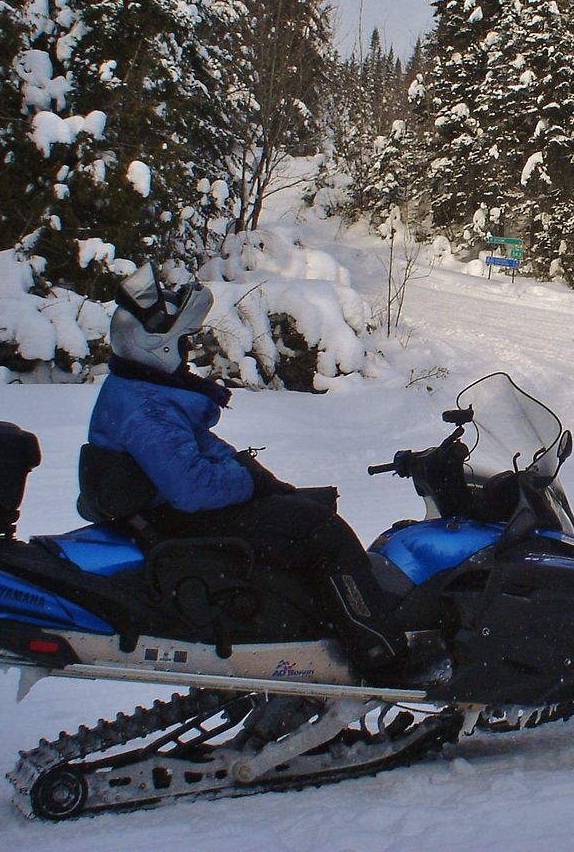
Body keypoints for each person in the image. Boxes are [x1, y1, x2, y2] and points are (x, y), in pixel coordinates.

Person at [87, 263, 430, 683]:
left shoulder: (143, 390)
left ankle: (315, 629)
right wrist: (248, 480)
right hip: (180, 517)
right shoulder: (148, 408)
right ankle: (381, 654)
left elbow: (198, 449)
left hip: (167, 512)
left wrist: (256, 476)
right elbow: (193, 487)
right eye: (184, 342)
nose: (190, 352)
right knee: (324, 532)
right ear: (157, 347)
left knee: (303, 505)